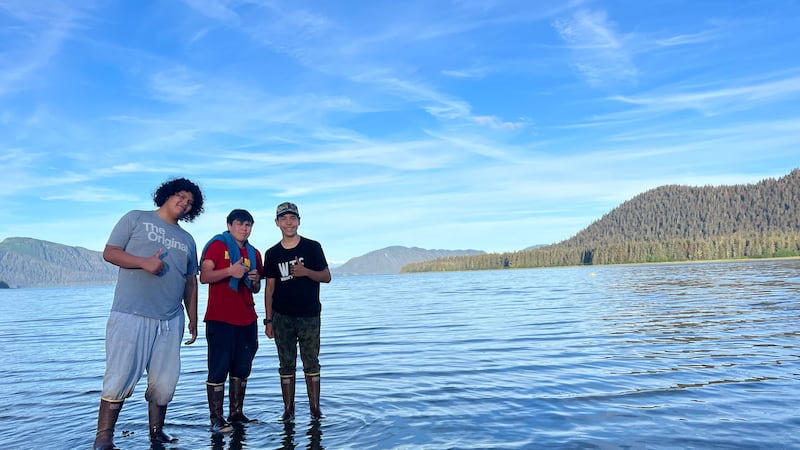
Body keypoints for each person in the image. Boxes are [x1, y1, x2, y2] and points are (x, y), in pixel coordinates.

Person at [92, 177, 205, 450]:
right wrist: (144, 262)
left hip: (171, 319)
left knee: (165, 382)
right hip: (131, 313)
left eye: (190, 203)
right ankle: (104, 437)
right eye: (180, 196)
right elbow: (110, 253)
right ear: (166, 194)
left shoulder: (187, 239)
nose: (184, 204)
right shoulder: (136, 219)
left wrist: (191, 318)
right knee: (119, 376)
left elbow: (190, 282)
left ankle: (157, 433)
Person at [263, 202, 331, 421]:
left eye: (292, 218)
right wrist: (268, 320)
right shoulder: (272, 253)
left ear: (299, 221)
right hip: (282, 316)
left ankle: (314, 409)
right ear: (277, 223)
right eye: (284, 219)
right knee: (286, 363)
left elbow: (326, 276)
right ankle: (288, 409)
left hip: (309, 314)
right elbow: (269, 288)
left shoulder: (312, 247)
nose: (288, 222)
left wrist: (306, 272)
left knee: (311, 361)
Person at [199, 209, 263, 433]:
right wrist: (230, 271)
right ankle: (216, 419)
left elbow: (255, 288)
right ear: (229, 225)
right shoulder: (217, 246)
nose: (244, 228)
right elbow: (204, 277)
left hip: (247, 318)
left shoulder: (254, 253)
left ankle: (236, 413)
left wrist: (254, 281)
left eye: (248, 225)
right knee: (218, 368)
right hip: (221, 318)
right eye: (239, 224)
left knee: (242, 368)